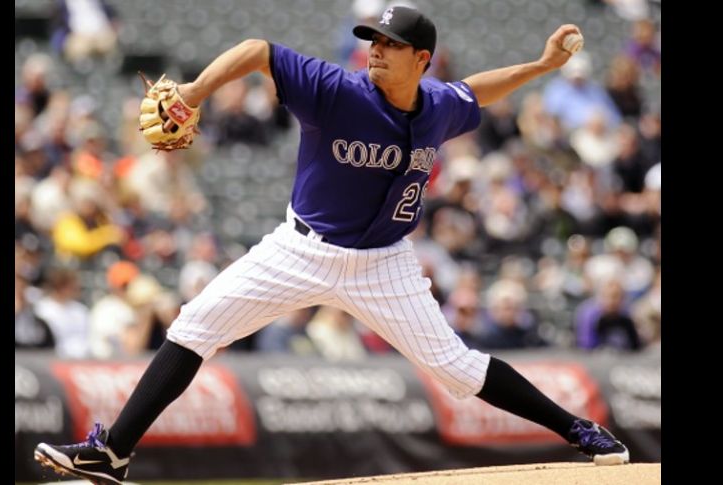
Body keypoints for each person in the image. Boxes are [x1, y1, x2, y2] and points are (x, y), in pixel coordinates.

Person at [34, 7, 629, 484]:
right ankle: (112, 453)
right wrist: (193, 89)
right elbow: (258, 50)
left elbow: (479, 90)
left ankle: (579, 429)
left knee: (456, 368)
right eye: (372, 38)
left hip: (384, 265)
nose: (375, 48)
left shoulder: (440, 106)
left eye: (390, 43)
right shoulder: (334, 90)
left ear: (422, 60)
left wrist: (543, 65)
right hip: (299, 249)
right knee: (195, 325)